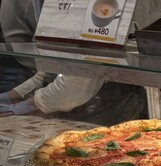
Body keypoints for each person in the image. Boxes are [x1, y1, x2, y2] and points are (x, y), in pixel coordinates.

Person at [0, 0, 146, 124]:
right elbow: (56, 64)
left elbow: (79, 80)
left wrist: (30, 104)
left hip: (107, 110)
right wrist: (15, 95)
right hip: (70, 109)